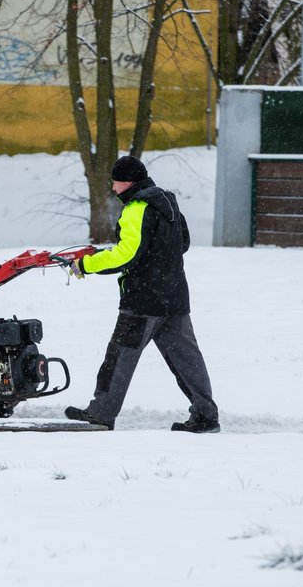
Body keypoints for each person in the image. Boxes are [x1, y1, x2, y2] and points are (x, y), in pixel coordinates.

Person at [64, 155, 220, 433]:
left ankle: (101, 413)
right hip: (175, 298)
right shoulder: (168, 203)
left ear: (128, 182)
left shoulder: (137, 208)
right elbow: (182, 242)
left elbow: (127, 254)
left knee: (119, 358)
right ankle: (206, 415)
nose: (113, 189)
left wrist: (87, 264)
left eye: (115, 183)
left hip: (143, 301)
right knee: (188, 360)